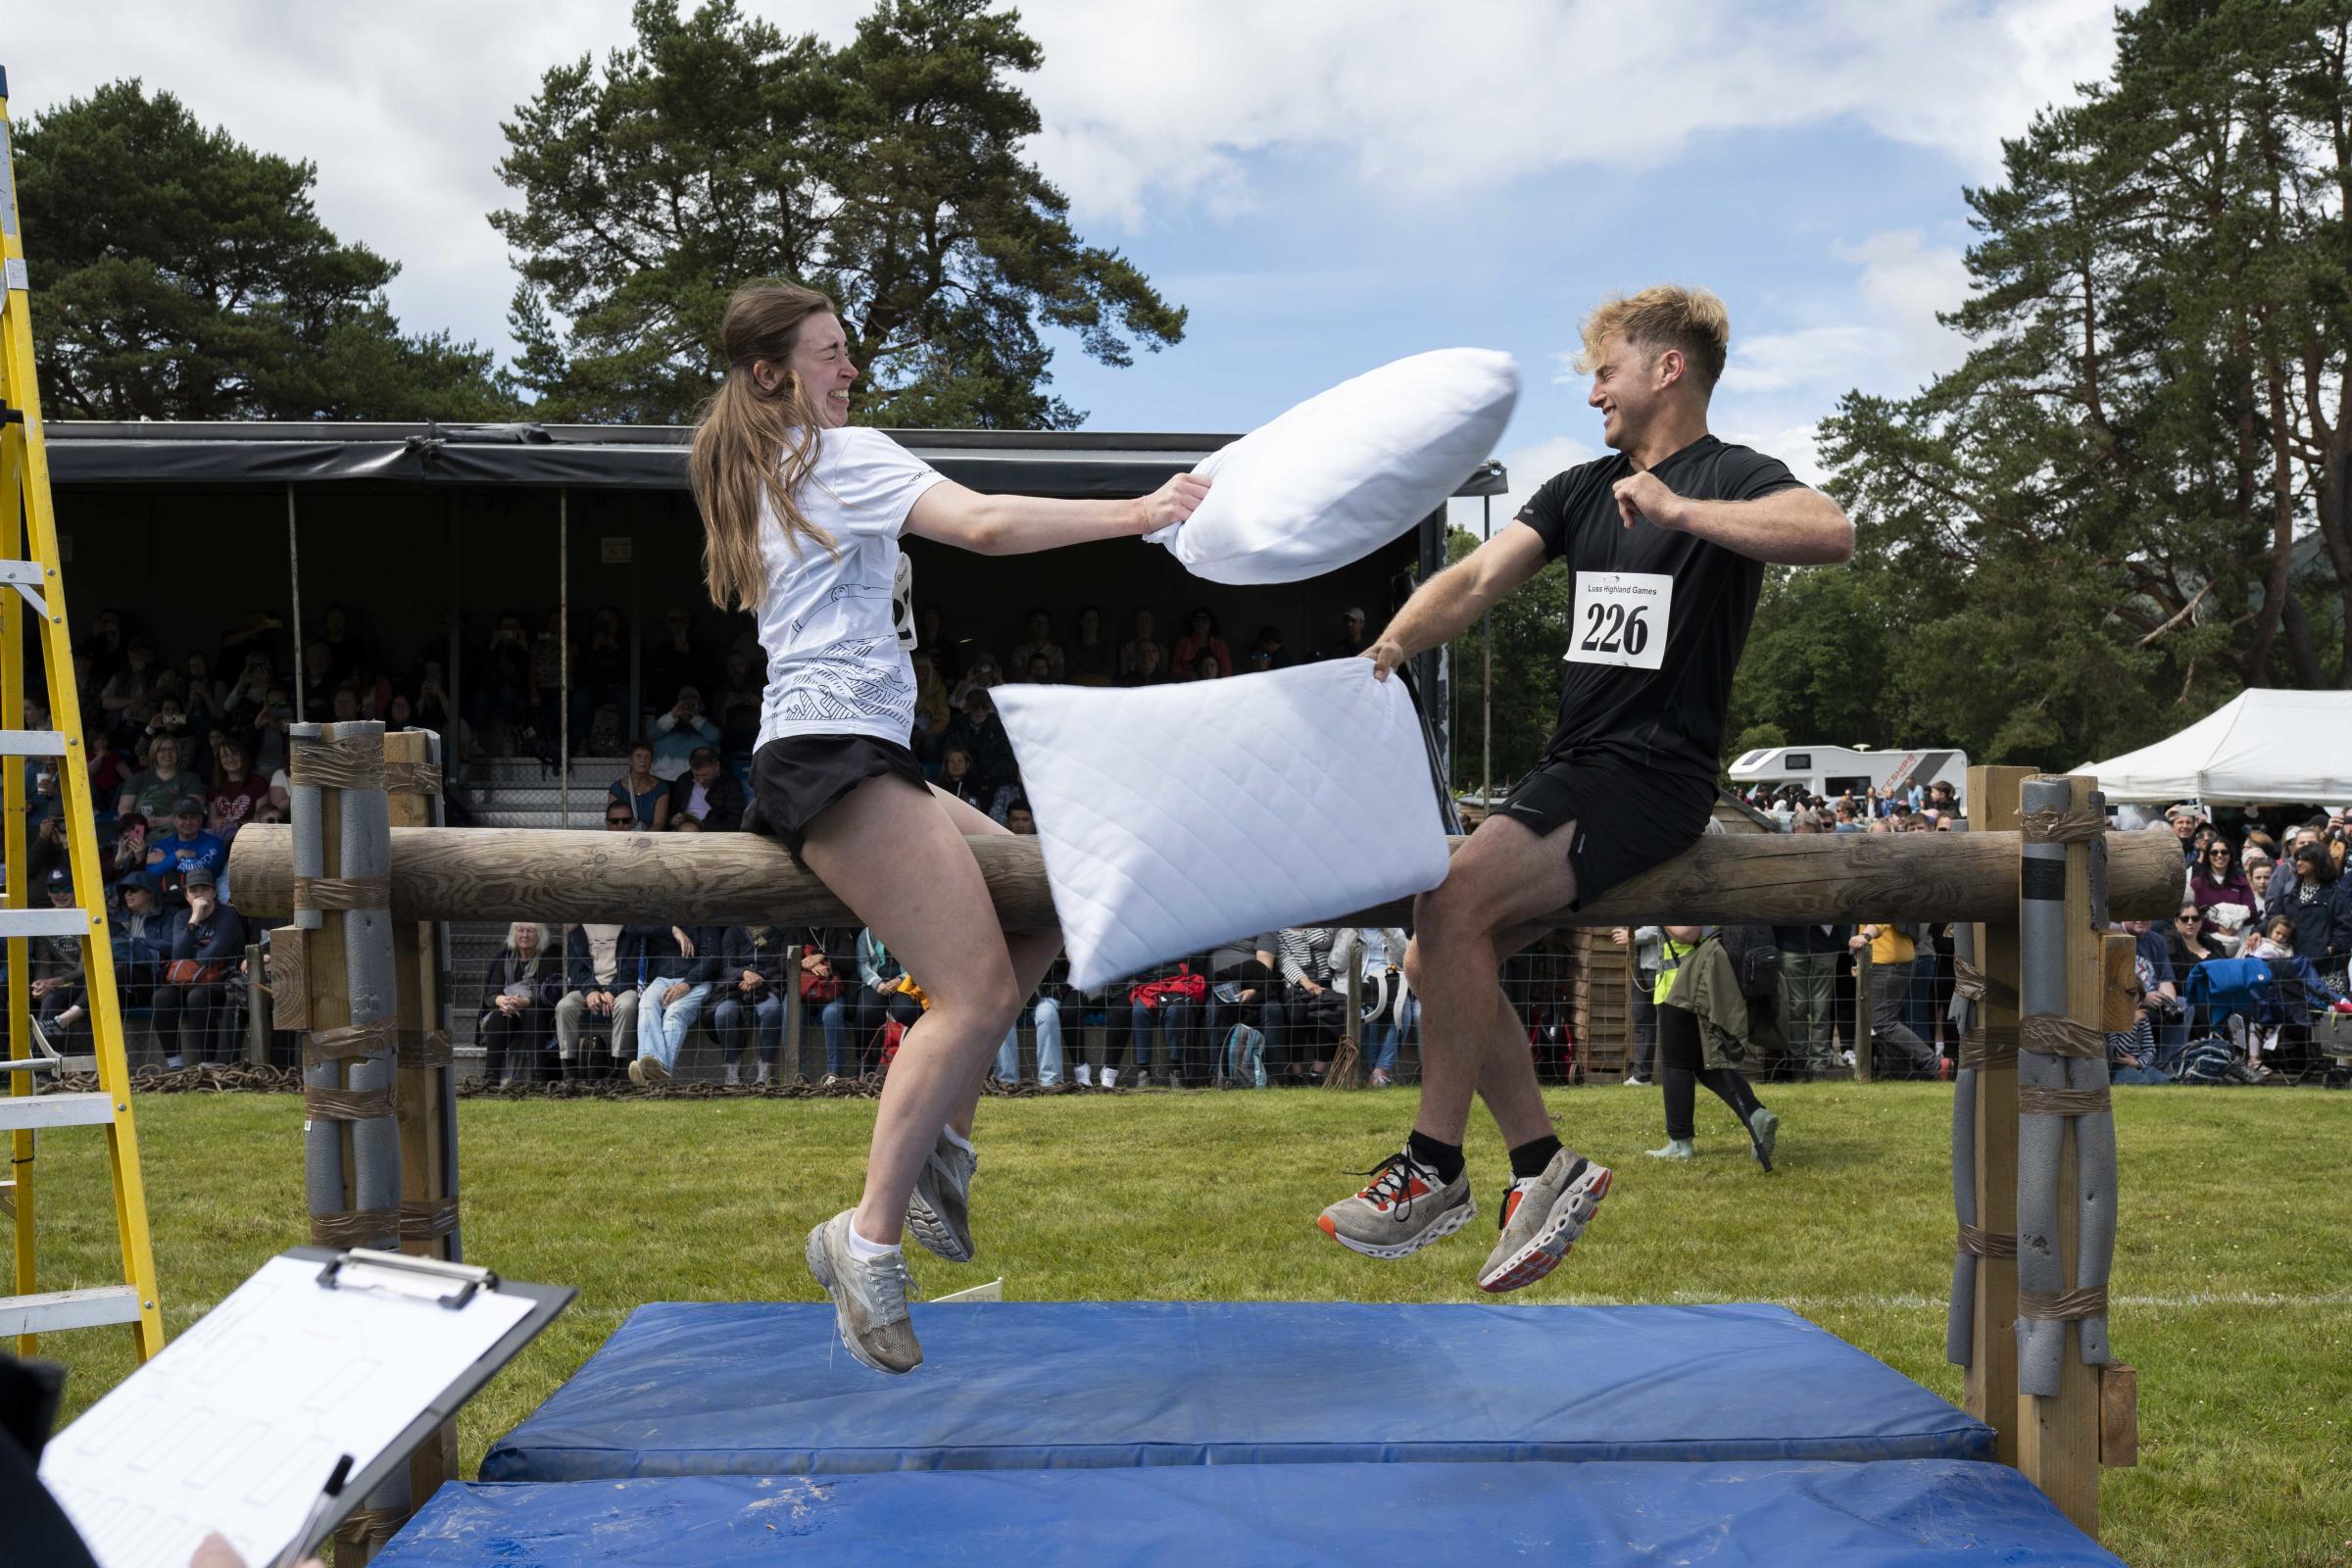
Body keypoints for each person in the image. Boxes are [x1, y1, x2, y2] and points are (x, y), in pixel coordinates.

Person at [687, 279, 1203, 1372]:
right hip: (835, 759)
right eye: (830, 353)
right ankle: (867, 1238)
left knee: (1050, 891)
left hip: (848, 754)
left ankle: (941, 1147)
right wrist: (1139, 512)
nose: (850, 369)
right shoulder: (840, 453)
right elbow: (980, 523)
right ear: (773, 371)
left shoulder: (769, 461)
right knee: (972, 994)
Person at [1314, 284, 1851, 1290]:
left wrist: (1682, 510)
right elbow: (1474, 582)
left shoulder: (1731, 477)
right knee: (1436, 961)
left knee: (1451, 894)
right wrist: (1389, 644)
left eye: (1605, 369)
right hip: (1574, 765)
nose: (1593, 390)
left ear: (1667, 368)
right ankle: (1540, 1162)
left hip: (1652, 773)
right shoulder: (1576, 491)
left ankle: (1434, 1167)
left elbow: (1830, 532)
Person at [1645, 924, 1779, 1167]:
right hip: (1701, 980)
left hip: (1684, 984)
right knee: (1703, 1064)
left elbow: (1688, 933)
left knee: (1675, 1064)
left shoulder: (1688, 888)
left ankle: (1679, 1142)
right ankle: (1756, 1114)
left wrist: (1661, 916)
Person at [152, 867, 245, 1068]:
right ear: (186, 895)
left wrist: (192, 953)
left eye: (205, 889)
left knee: (198, 997)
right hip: (190, 979)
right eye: (194, 890)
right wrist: (194, 919)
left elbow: (211, 957)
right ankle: (174, 1064)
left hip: (225, 980)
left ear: (213, 892)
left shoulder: (227, 915)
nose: (200, 894)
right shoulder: (182, 917)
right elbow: (177, 954)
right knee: (162, 998)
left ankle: (208, 1063)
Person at [629, 923, 720, 1084]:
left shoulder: (703, 917)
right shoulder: (661, 914)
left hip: (696, 982)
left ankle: (651, 1073)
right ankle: (653, 1064)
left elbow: (711, 960)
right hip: (662, 979)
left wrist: (686, 984)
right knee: (647, 1003)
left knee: (674, 1013)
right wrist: (673, 930)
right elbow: (631, 926)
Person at [476, 922, 563, 1086]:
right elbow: (490, 994)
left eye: (530, 931)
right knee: (498, 1014)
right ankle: (491, 1079)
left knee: (532, 1013)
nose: (524, 935)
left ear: (540, 934)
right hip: (511, 1013)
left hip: (543, 1014)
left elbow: (555, 993)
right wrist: (502, 1000)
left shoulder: (552, 955)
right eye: (520, 930)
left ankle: (539, 1080)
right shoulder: (504, 957)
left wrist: (526, 1001)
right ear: (513, 933)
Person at [1851, 920, 1936, 1077]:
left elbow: (1882, 917)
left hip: (1886, 963)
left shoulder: (1882, 896)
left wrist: (1866, 935)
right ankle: (1893, 1071)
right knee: (1881, 1022)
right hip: (1887, 960)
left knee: (1882, 1023)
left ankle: (1933, 1063)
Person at [714, 924, 792, 1083]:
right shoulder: (733, 932)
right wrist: (743, 973)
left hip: (765, 986)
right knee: (723, 1014)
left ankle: (765, 1070)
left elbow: (778, 967)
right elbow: (726, 967)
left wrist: (756, 978)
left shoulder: (777, 933)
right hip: (735, 988)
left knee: (772, 1010)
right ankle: (731, 1068)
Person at [2188, 837, 2256, 950]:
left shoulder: (2241, 882)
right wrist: (2218, 928)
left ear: (2230, 856)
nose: (2219, 855)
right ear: (2208, 857)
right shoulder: (2197, 884)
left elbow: (2252, 913)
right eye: (2214, 852)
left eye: (2224, 852)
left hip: (2238, 941)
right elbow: (2193, 915)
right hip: (2206, 943)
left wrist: (2234, 926)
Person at [668, 744, 748, 831]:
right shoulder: (684, 780)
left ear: (716, 766)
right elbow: (670, 812)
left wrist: (699, 827)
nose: (701, 780)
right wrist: (672, 819)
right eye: (696, 775)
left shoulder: (731, 784)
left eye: (705, 775)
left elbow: (735, 822)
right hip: (682, 830)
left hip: (713, 834)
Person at [609, 741, 672, 831]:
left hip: (650, 840)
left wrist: (643, 841)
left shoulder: (661, 788)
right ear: (630, 760)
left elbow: (659, 823)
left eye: (647, 757)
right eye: (638, 756)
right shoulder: (617, 788)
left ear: (651, 761)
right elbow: (613, 821)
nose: (643, 760)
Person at [1169, 607, 1231, 679]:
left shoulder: (1220, 645)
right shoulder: (1183, 643)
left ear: (1211, 623)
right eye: (1196, 620)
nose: (1200, 623)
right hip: (1189, 685)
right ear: (1191, 623)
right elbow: (1175, 670)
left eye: (1204, 619)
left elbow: (1227, 672)